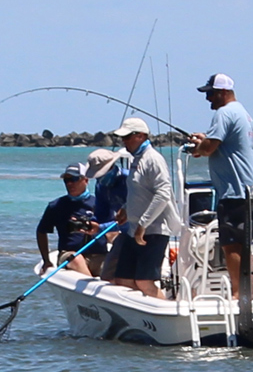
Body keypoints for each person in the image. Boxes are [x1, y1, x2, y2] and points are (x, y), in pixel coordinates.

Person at [188, 73, 253, 300]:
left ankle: (239, 294)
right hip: (250, 191)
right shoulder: (243, 113)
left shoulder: (224, 113)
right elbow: (221, 143)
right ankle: (252, 292)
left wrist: (198, 147)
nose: (208, 99)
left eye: (210, 93)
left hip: (235, 192)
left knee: (232, 246)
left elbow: (209, 148)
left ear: (222, 93)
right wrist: (205, 141)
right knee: (246, 245)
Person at [110, 117, 179, 299]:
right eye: (122, 137)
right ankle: (142, 316)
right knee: (122, 279)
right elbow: (139, 191)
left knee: (144, 281)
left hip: (153, 230)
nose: (124, 141)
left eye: (127, 136)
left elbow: (163, 194)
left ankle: (166, 312)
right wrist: (126, 208)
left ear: (141, 136)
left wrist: (143, 224)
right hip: (135, 230)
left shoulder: (153, 159)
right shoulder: (135, 159)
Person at [36, 162, 108, 277]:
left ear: (85, 180)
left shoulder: (99, 204)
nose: (70, 184)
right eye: (66, 180)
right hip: (69, 255)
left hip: (98, 255)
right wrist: (46, 260)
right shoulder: (56, 206)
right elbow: (41, 231)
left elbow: (113, 230)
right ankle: (89, 286)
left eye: (74, 179)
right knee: (76, 258)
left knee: (117, 266)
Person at [85, 148, 129, 280]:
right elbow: (102, 214)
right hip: (125, 232)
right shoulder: (101, 186)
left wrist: (102, 228)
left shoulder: (129, 180)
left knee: (130, 277)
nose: (99, 179)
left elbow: (133, 218)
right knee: (107, 275)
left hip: (143, 231)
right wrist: (91, 224)